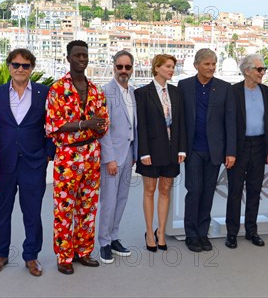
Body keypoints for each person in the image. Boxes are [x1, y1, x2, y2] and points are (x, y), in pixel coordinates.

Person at [0, 49, 55, 277]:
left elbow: (51, 126)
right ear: (8, 66)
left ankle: (31, 257)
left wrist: (48, 153)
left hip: (34, 162)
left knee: (33, 212)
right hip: (4, 161)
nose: (20, 69)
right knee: (2, 211)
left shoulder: (44, 93)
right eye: (15, 64)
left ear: (32, 69)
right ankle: (0, 254)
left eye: (25, 66)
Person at [46, 40, 109, 275]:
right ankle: (64, 256)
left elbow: (103, 125)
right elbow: (53, 125)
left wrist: (87, 127)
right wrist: (84, 124)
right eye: (77, 55)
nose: (82, 59)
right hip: (67, 156)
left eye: (85, 55)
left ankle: (83, 252)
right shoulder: (58, 89)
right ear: (68, 58)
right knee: (64, 208)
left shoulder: (95, 90)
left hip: (92, 154)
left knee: (88, 206)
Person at [178, 48, 236, 253]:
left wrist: (230, 152)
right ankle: (191, 234)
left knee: (208, 193)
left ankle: (203, 233)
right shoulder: (184, 86)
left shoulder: (224, 88)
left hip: (215, 151)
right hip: (192, 150)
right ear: (196, 65)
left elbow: (230, 121)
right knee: (194, 191)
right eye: (207, 64)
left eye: (213, 64)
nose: (211, 68)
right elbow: (179, 120)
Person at [135, 54, 187, 253]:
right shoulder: (142, 93)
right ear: (157, 68)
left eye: (173, 66)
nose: (172, 70)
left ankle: (161, 232)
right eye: (168, 66)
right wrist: (143, 152)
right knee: (149, 191)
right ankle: (149, 232)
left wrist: (182, 148)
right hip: (150, 152)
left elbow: (181, 122)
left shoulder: (176, 92)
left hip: (172, 151)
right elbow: (141, 126)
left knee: (165, 191)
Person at [224, 54, 268, 249]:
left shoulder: (266, 91)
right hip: (239, 147)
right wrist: (229, 151)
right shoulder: (233, 91)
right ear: (247, 71)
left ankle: (251, 231)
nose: (263, 73)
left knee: (255, 190)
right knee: (235, 191)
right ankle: (232, 233)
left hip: (260, 146)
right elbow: (227, 123)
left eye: (263, 69)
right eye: (259, 70)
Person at [97, 50, 138, 263]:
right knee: (109, 201)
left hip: (128, 155)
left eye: (127, 67)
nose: (123, 71)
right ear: (113, 67)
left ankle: (114, 237)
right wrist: (109, 158)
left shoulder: (132, 92)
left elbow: (133, 125)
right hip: (112, 157)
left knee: (122, 199)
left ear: (132, 69)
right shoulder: (106, 92)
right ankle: (103, 242)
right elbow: (103, 129)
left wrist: (135, 154)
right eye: (119, 66)